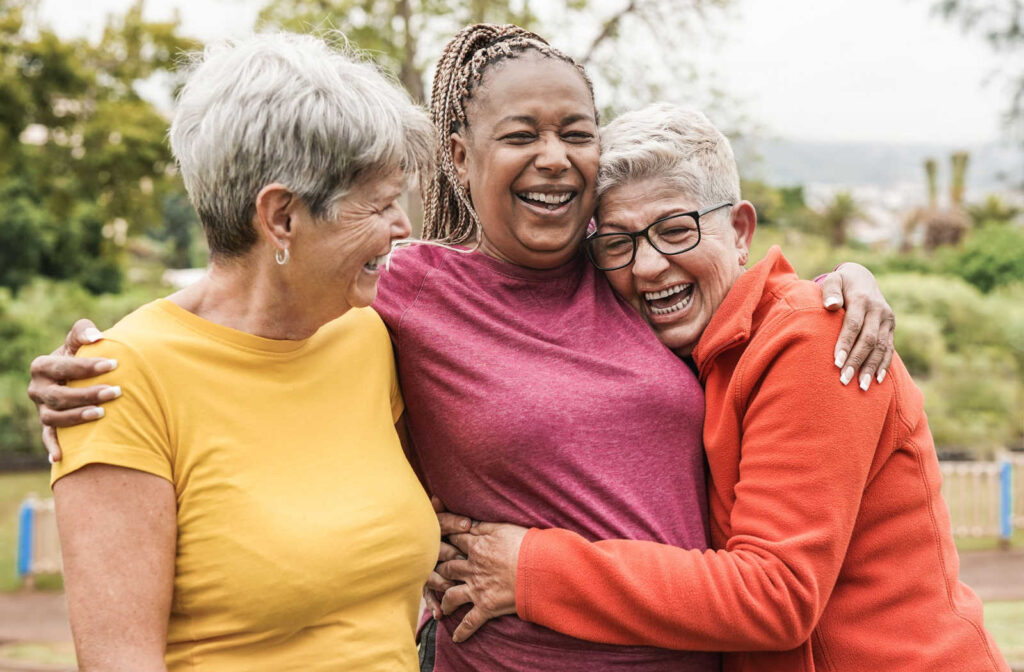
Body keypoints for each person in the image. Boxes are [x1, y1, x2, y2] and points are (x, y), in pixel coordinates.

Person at [30, 25, 896, 672]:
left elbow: (722, 278)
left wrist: (843, 283)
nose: (554, 159)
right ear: (460, 153)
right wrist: (100, 363)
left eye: (576, 133)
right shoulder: (398, 294)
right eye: (521, 135)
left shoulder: (627, 270)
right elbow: (246, 307)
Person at [428, 103, 1010, 671]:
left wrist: (532, 569)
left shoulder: (813, 339)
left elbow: (776, 595)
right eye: (618, 244)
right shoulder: (684, 353)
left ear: (740, 230)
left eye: (676, 230)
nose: (648, 266)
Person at [44, 33, 439, 671]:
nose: (403, 228)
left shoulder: (368, 332)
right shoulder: (120, 384)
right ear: (281, 217)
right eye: (382, 204)